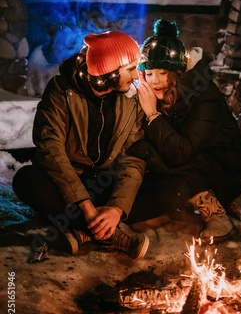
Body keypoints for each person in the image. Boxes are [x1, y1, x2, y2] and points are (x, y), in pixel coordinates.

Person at [12, 31, 149, 259]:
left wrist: (117, 208)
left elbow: (133, 156)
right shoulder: (61, 90)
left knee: (167, 188)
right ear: (111, 71)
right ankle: (108, 233)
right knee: (26, 179)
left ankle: (84, 230)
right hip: (71, 184)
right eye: (130, 69)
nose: (137, 76)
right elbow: (50, 148)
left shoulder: (130, 98)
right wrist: (85, 206)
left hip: (106, 182)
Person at [129, 19, 241, 241]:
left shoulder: (204, 94)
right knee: (145, 150)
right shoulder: (155, 91)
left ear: (176, 73)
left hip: (224, 166)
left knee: (157, 153)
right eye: (148, 74)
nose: (154, 81)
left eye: (162, 72)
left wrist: (152, 114)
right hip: (190, 158)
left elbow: (181, 152)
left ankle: (217, 212)